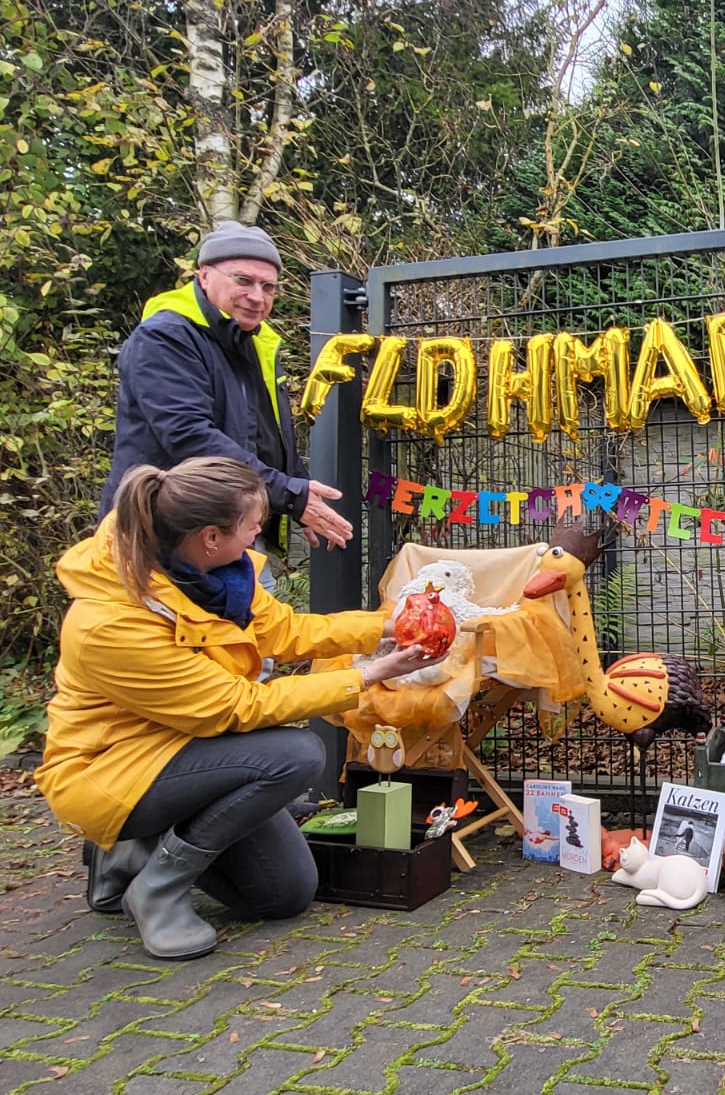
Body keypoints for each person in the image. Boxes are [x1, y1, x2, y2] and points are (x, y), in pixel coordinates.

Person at [36, 457, 438, 961]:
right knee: (295, 755)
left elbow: (287, 632)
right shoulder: (109, 624)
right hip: (116, 770)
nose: (256, 537)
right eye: (252, 527)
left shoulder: (220, 575)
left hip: (192, 748)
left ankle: (132, 851)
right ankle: (156, 887)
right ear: (210, 536)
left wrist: (386, 627)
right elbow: (237, 707)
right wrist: (369, 674)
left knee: (282, 894)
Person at [100, 220, 353, 559]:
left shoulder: (254, 343)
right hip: (163, 537)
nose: (256, 297)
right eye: (243, 281)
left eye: (269, 287)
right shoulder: (165, 337)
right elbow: (190, 438)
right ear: (204, 275)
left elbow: (266, 435)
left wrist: (301, 491)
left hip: (232, 532)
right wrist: (291, 494)